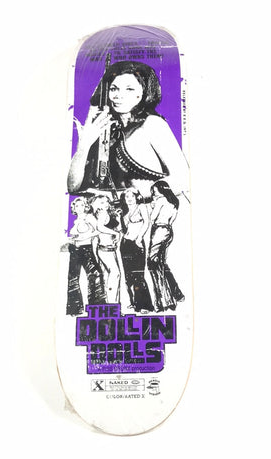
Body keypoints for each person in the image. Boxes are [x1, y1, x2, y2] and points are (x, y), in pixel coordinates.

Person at [68, 60, 189, 200]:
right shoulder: (107, 131)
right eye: (114, 89)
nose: (119, 96)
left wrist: (123, 196)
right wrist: (84, 145)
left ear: (144, 92)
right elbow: (73, 187)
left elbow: (183, 179)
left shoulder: (153, 125)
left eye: (129, 89)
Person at [147, 180, 185, 311]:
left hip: (159, 230)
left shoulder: (160, 200)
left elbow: (152, 218)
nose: (154, 194)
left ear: (160, 190)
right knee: (162, 263)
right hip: (168, 230)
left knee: (152, 263)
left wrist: (152, 207)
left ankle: (164, 300)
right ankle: (176, 294)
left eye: (155, 191)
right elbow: (172, 219)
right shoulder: (174, 202)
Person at [66, 197, 106, 315]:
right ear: (73, 208)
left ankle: (96, 307)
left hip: (86, 249)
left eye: (82, 205)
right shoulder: (74, 220)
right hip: (74, 250)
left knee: (95, 275)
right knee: (73, 278)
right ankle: (75, 309)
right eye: (77, 206)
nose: (79, 208)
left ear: (86, 207)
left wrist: (85, 236)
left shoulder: (89, 217)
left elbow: (99, 230)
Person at [119, 188, 154, 313]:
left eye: (132, 196)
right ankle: (134, 302)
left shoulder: (141, 207)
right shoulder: (124, 211)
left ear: (136, 197)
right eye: (127, 196)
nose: (129, 199)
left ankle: (144, 305)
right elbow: (123, 230)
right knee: (128, 276)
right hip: (125, 244)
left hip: (137, 243)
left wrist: (139, 238)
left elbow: (147, 222)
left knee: (139, 275)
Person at [91, 195, 122, 303]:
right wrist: (115, 233)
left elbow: (118, 228)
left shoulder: (106, 213)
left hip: (109, 249)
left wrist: (118, 217)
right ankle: (113, 303)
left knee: (109, 276)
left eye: (107, 202)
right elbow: (100, 227)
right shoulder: (102, 213)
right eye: (102, 202)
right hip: (105, 249)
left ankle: (111, 303)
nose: (106, 204)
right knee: (115, 274)